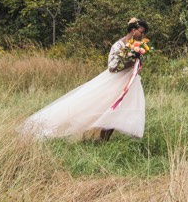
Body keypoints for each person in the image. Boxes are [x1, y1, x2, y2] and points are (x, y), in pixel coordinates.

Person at [21, 18, 149, 141]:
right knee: (106, 108)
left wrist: (137, 59)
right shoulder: (119, 45)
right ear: (133, 30)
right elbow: (112, 67)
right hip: (115, 82)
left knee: (130, 108)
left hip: (129, 82)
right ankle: (101, 139)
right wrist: (129, 61)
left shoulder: (137, 45)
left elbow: (137, 63)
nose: (142, 35)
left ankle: (131, 137)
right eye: (141, 32)